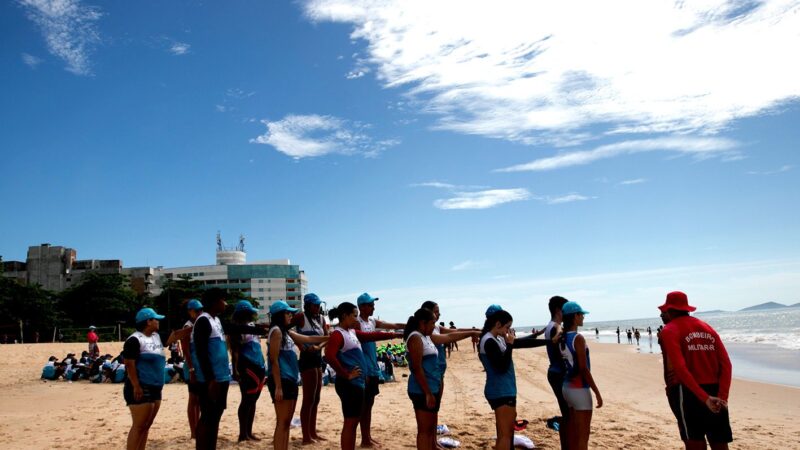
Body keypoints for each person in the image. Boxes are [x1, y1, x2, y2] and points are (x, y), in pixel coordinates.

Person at [658, 291, 732, 450]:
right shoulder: (707, 328)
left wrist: (705, 398)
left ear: (671, 311)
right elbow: (726, 365)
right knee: (720, 444)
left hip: (687, 393)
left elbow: (680, 369)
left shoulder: (669, 330)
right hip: (716, 391)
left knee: (694, 443)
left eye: (663, 312)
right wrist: (723, 397)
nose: (661, 316)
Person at [324, 302, 399, 450]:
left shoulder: (351, 332)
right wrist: (346, 374)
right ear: (344, 316)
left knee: (354, 421)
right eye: (354, 315)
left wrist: (393, 334)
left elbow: (371, 335)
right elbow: (329, 356)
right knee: (350, 423)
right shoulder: (338, 334)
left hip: (357, 383)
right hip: (349, 384)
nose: (356, 319)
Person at [405, 308, 478, 450]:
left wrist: (473, 332)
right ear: (422, 323)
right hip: (422, 391)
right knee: (424, 431)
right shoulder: (415, 337)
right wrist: (427, 393)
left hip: (432, 387)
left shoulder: (426, 336)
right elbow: (416, 368)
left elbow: (451, 337)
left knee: (430, 427)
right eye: (432, 323)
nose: (434, 326)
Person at [478, 305, 547, 450]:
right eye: (507, 327)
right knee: (505, 435)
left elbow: (521, 343)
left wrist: (548, 341)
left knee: (507, 432)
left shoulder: (496, 338)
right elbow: (501, 366)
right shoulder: (489, 341)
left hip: (505, 389)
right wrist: (509, 345)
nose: (508, 331)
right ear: (497, 324)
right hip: (500, 391)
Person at [267, 300, 328, 450]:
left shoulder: (286, 332)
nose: (290, 316)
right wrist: (278, 387)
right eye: (288, 313)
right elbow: (273, 360)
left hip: (291, 378)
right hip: (282, 379)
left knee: (286, 422)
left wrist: (328, 338)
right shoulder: (276, 331)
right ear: (280, 315)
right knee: (282, 422)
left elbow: (307, 339)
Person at [354, 292, 405, 448]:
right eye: (370, 304)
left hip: (373, 368)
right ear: (362, 306)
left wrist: (410, 325)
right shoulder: (357, 323)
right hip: (365, 369)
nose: (373, 307)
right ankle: (364, 439)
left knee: (369, 405)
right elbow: (356, 349)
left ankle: (367, 436)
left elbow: (393, 325)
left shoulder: (372, 321)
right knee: (364, 406)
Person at [559, 301, 602, 450]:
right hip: (580, 389)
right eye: (581, 314)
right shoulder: (578, 338)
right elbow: (584, 369)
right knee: (583, 438)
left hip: (567, 388)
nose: (583, 317)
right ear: (575, 316)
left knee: (575, 435)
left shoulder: (562, 338)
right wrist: (597, 392)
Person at [123, 307, 166, 450]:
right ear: (148, 321)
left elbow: (176, 335)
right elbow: (129, 364)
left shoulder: (157, 337)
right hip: (140, 386)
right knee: (139, 426)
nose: (158, 322)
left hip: (156, 386)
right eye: (156, 319)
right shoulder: (134, 340)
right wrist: (136, 385)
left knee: (146, 425)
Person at [293, 293, 329, 444]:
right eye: (315, 305)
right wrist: (302, 347)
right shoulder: (301, 317)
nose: (318, 307)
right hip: (306, 359)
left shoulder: (320, 318)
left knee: (316, 398)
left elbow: (327, 337)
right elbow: (291, 333)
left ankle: (313, 432)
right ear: (307, 305)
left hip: (317, 357)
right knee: (308, 399)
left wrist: (318, 346)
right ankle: (306, 436)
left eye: (318, 305)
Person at [229, 300, 266, 443]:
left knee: (253, 401)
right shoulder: (237, 329)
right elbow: (235, 351)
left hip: (258, 365)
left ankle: (249, 432)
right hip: (247, 365)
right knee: (246, 400)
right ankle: (242, 434)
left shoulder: (251, 326)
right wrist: (235, 370)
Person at [544, 296, 570, 450]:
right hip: (559, 373)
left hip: (555, 371)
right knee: (568, 415)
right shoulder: (555, 328)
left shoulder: (551, 326)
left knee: (567, 414)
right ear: (558, 310)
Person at [178, 299, 203, 440]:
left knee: (199, 399)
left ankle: (197, 427)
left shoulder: (200, 323)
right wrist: (192, 369)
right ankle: (193, 431)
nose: (199, 313)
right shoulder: (187, 326)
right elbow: (186, 350)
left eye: (200, 310)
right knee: (193, 399)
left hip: (200, 366)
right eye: (197, 311)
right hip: (192, 366)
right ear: (190, 312)